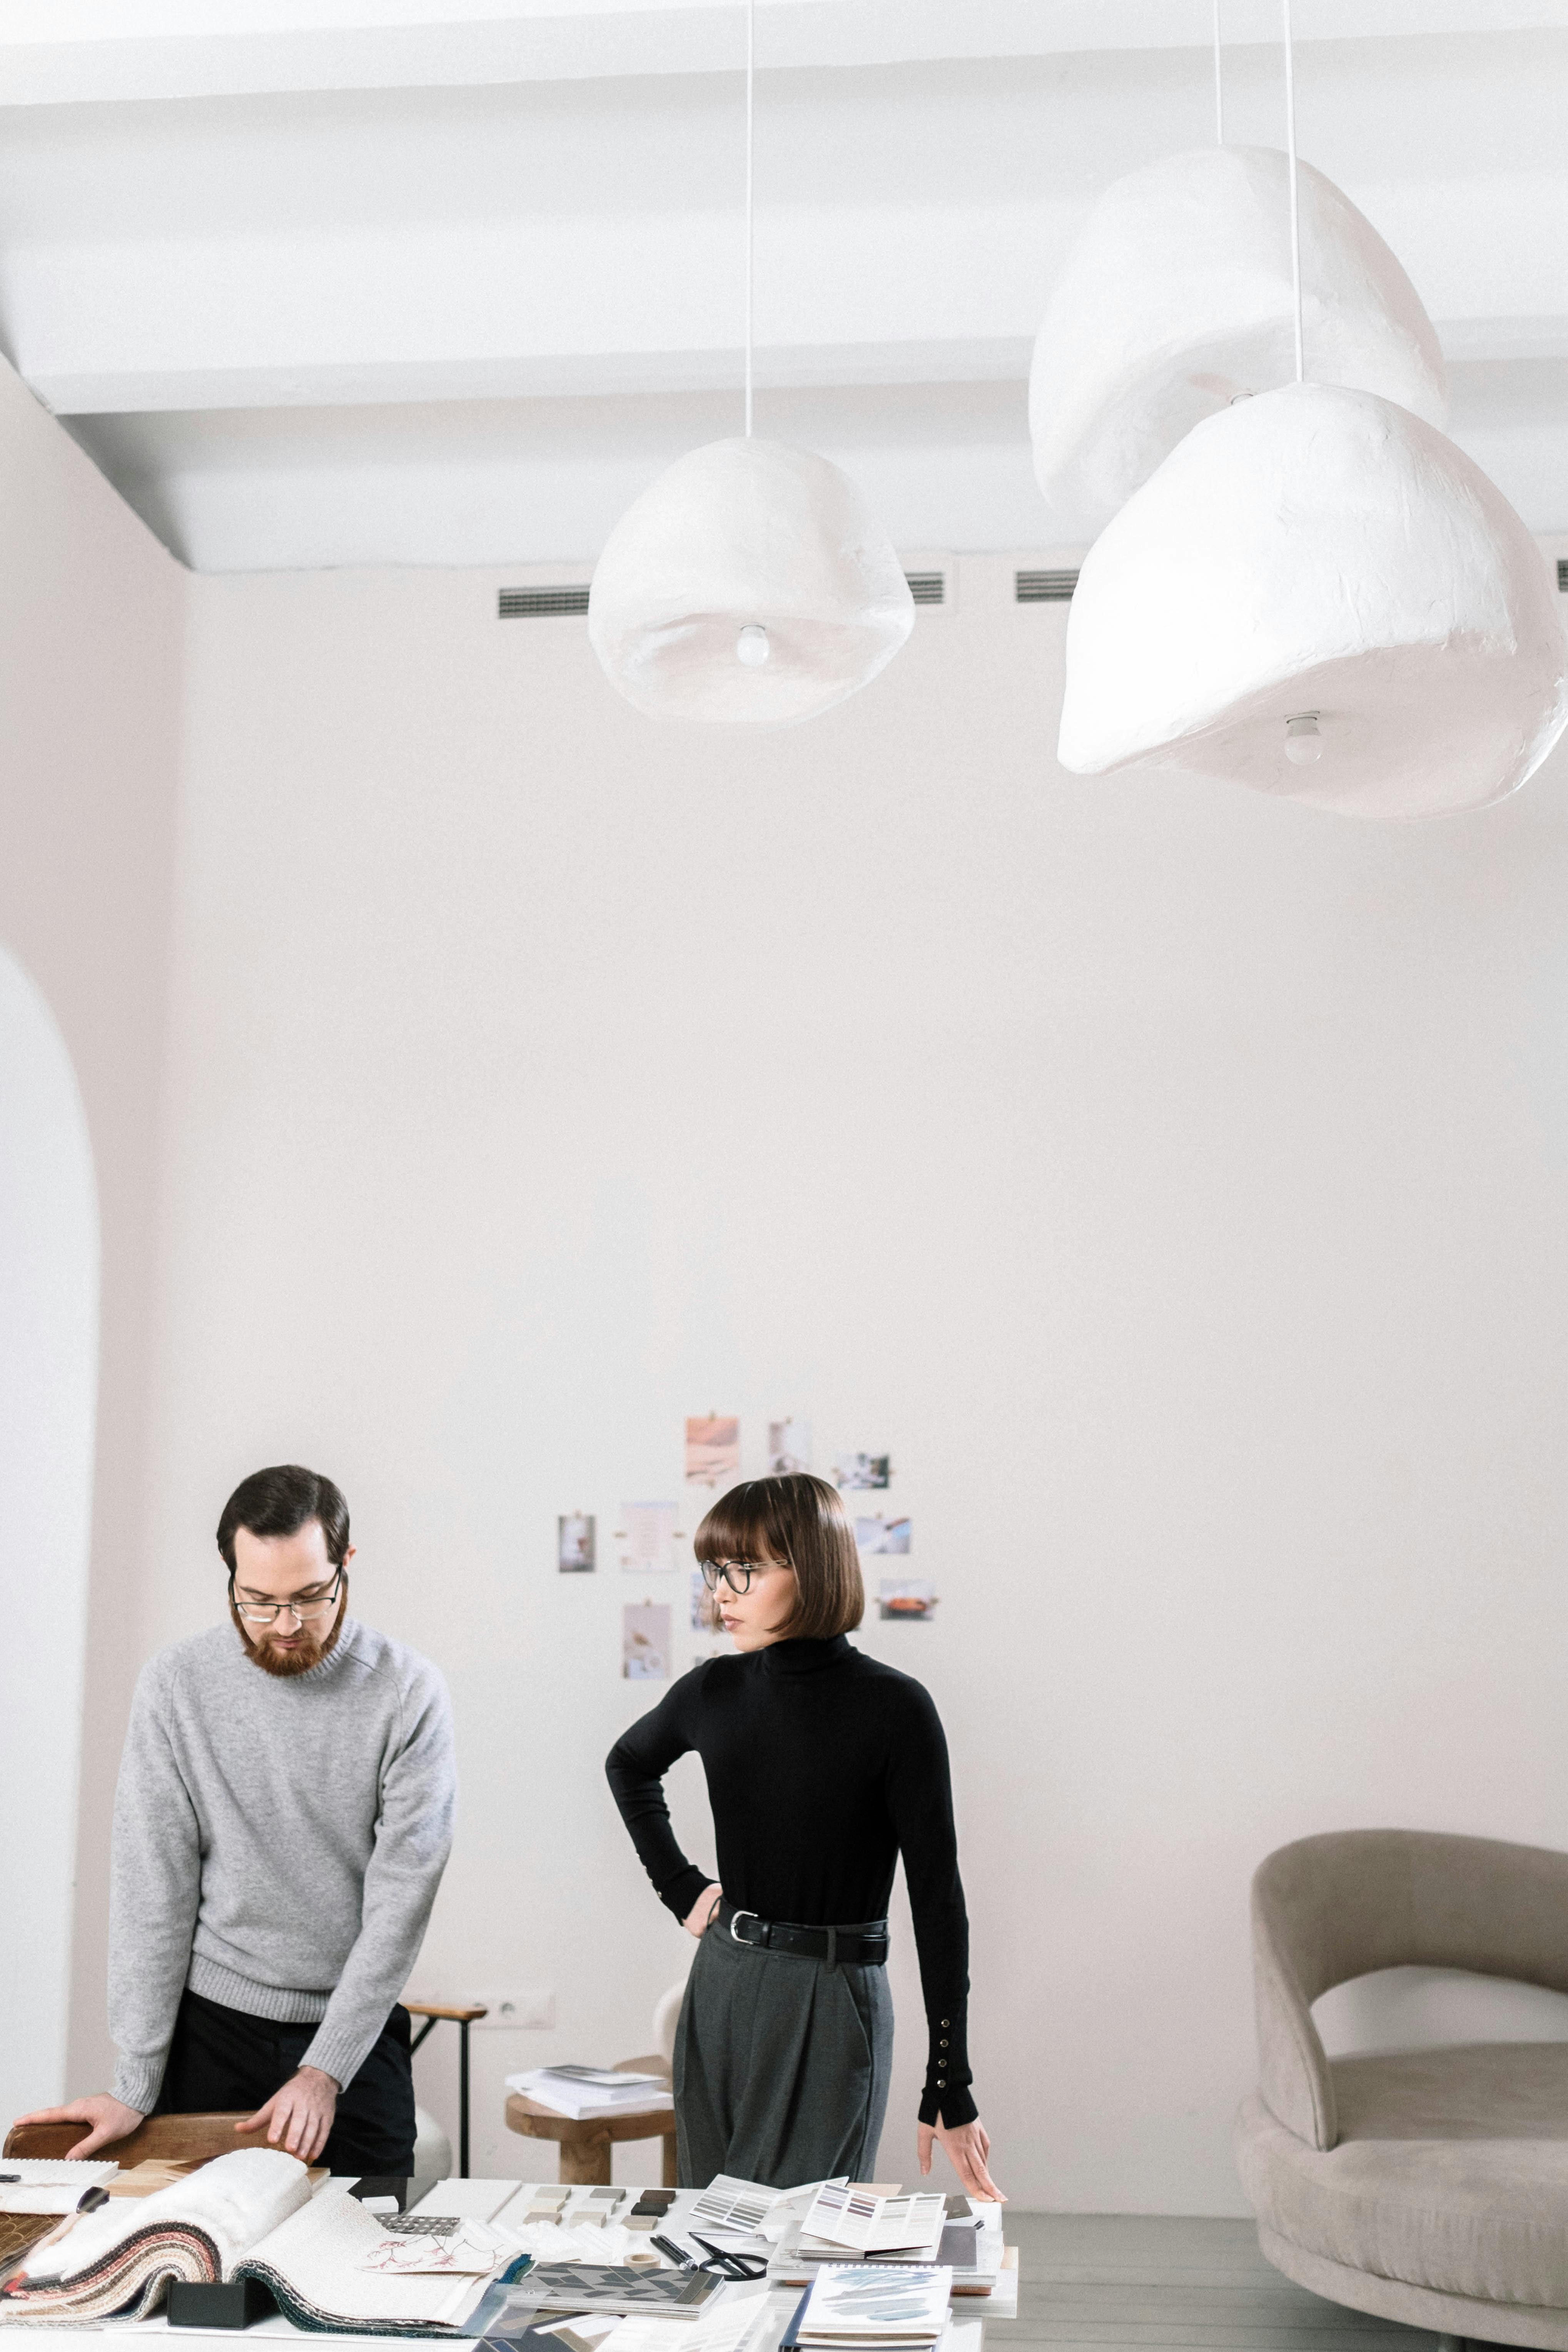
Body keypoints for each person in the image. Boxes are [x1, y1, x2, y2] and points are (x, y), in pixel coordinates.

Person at [17, 1464, 456, 2172]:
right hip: (210, 2030)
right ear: (230, 1577)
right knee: (198, 2276)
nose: (286, 1625)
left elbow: (401, 1903)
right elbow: (152, 1887)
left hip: (350, 2033)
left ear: (347, 1563)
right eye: (259, 1600)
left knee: (369, 2266)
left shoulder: (408, 1692)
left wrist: (324, 2071)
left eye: (310, 1597)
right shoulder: (176, 1685)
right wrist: (136, 2078)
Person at [606, 1471, 1002, 2198]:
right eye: (714, 1571)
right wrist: (682, 1888)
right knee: (708, 2234)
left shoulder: (896, 1709)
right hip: (722, 1985)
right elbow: (628, 1764)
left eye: (744, 1571)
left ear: (812, 1567)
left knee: (800, 2248)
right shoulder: (713, 1690)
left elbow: (938, 1900)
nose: (720, 1592)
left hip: (832, 1998)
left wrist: (950, 2076)